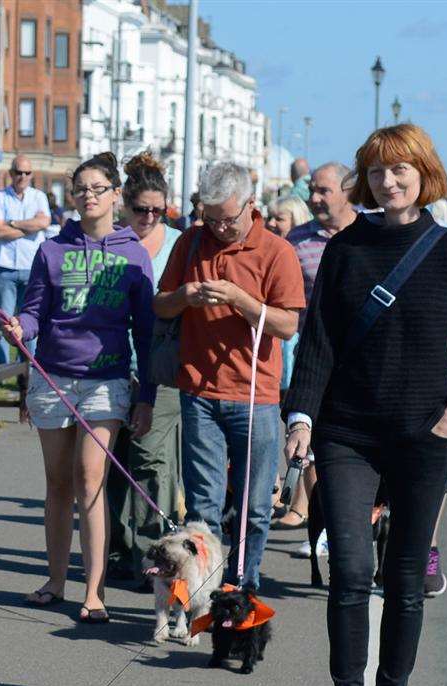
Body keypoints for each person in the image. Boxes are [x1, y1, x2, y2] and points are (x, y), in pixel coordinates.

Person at [283, 123, 447, 686]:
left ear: (423, 173)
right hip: (348, 433)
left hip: (423, 437)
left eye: (401, 170)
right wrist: (301, 418)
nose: (390, 181)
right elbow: (318, 342)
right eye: (378, 171)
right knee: (349, 571)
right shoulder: (347, 249)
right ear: (365, 180)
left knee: (404, 576)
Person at [0, 152, 156, 623]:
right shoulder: (51, 250)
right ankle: (55, 580)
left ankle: (94, 590)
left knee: (90, 479)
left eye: (97, 189)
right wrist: (20, 329)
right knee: (56, 484)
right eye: (80, 189)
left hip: (106, 382)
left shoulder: (134, 253)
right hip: (52, 377)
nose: (88, 196)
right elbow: (35, 311)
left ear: (116, 195)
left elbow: (145, 335)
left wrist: (145, 397)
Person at [153, 161, 305, 590]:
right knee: (202, 506)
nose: (219, 228)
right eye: (210, 218)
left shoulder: (276, 251)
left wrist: (241, 299)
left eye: (228, 219)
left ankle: (243, 585)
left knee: (254, 506)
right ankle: (201, 590)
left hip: (255, 396)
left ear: (251, 205)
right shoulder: (190, 243)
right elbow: (160, 305)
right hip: (199, 390)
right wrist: (184, 296)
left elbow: (287, 325)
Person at [107, 152, 183, 584]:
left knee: (152, 463)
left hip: (163, 368)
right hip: (117, 367)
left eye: (159, 209)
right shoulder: (115, 243)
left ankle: (154, 552)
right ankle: (118, 549)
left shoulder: (178, 244)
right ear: (126, 206)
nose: (151, 217)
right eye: (142, 210)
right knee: (116, 462)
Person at [275, 162, 359, 533]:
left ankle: (348, 524)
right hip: (310, 361)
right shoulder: (296, 242)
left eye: (324, 191)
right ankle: (320, 525)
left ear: (349, 193)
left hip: (360, 365)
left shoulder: (369, 237)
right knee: (308, 444)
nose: (314, 198)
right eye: (312, 190)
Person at [0, 154, 51, 363]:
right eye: (18, 172)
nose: (22, 176)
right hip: (4, 267)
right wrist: (28, 227)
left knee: (29, 320)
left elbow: (44, 222)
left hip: (32, 267)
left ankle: (28, 366)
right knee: (3, 319)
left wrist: (11, 223)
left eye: (27, 172)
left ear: (31, 175)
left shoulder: (39, 196)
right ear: (11, 173)